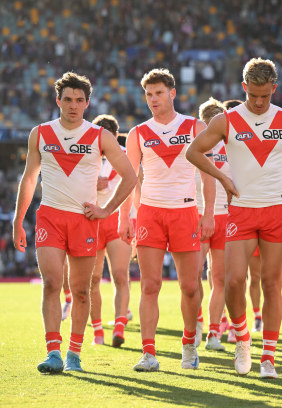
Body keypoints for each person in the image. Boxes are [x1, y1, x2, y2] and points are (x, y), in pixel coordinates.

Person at [186, 58, 282, 379]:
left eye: (265, 96)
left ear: (273, 90)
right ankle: (242, 341)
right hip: (241, 210)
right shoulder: (228, 120)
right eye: (253, 95)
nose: (258, 102)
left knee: (271, 283)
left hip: (276, 210)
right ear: (244, 88)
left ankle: (268, 358)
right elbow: (193, 152)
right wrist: (223, 179)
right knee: (235, 281)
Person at [12, 72, 137, 373]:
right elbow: (29, 178)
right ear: (58, 100)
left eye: (79, 100)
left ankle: (74, 355)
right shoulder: (40, 134)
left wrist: (107, 210)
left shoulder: (99, 136)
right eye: (67, 99)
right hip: (50, 217)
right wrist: (18, 221)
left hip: (84, 219)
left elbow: (131, 176)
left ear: (87, 103)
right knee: (53, 282)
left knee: (81, 290)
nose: (73, 105)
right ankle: (53, 352)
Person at [124, 68, 212, 372]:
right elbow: (128, 178)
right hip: (150, 212)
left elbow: (208, 173)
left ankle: (189, 344)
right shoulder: (137, 133)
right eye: (148, 94)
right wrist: (127, 217)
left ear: (172, 93)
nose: (153, 99)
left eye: (159, 93)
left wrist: (209, 212)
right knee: (149, 285)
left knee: (190, 286)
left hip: (186, 212)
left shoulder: (194, 126)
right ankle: (148, 353)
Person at [89, 114, 133, 348]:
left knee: (119, 274)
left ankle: (119, 326)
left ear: (115, 136)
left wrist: (132, 218)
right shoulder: (86, 157)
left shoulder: (126, 156)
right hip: (92, 220)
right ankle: (97, 330)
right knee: (93, 279)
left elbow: (136, 187)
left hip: (117, 219)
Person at [193, 98, 225, 349]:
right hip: (211, 214)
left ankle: (203, 328)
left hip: (203, 214)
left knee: (200, 277)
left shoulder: (197, 143)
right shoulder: (196, 144)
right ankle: (211, 333)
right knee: (216, 278)